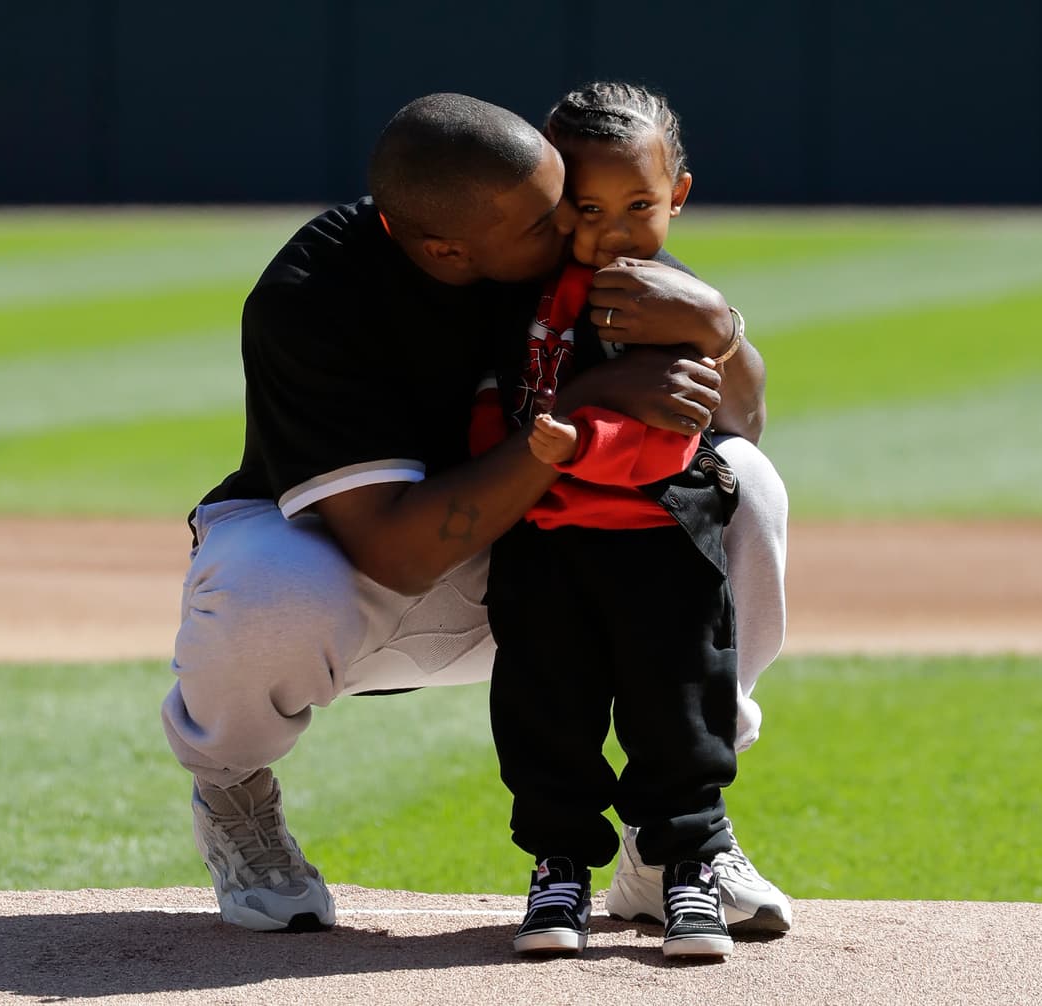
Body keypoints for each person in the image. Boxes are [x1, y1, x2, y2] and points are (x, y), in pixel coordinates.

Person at [159, 91, 791, 937]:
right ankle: (233, 788)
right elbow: (394, 553)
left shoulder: (573, 250)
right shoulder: (315, 296)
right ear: (446, 248)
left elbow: (735, 422)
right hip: (361, 581)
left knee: (739, 480)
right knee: (269, 585)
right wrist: (587, 397)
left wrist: (719, 327)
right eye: (542, 220)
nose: (569, 224)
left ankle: (672, 840)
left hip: (540, 572)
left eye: (565, 197)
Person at [472, 81, 771, 960]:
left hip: (661, 543)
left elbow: (694, 433)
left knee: (678, 713)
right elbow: (493, 411)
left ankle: (687, 870)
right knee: (545, 714)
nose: (609, 230)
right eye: (585, 208)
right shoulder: (519, 299)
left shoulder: (675, 300)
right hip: (544, 544)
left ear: (678, 194)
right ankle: (558, 870)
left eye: (638, 205)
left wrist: (714, 331)